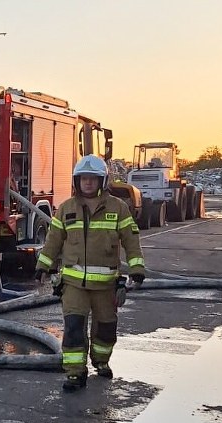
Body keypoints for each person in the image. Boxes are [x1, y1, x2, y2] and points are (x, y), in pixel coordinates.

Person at [34, 155, 145, 391]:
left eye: (92, 179)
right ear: (77, 180)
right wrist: (43, 266)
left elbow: (131, 241)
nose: (87, 183)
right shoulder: (67, 208)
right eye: (83, 178)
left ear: (102, 181)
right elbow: (53, 241)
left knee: (106, 328)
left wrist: (137, 270)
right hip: (74, 284)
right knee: (73, 327)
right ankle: (75, 373)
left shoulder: (118, 208)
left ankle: (101, 361)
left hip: (106, 285)